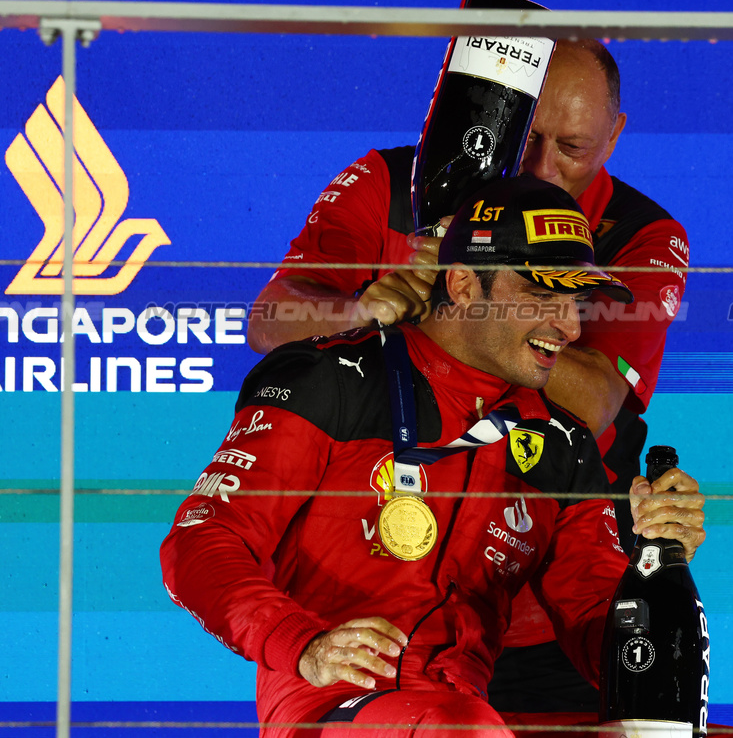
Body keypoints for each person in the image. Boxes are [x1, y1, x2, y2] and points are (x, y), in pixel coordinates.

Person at [247, 38, 703, 713]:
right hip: (388, 598)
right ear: (502, 111)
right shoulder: (389, 184)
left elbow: (599, 399)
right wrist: (363, 307)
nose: (545, 166)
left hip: (558, 599)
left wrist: (467, 305)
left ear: (615, 136)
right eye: (531, 136)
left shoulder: (644, 233)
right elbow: (270, 320)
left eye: (572, 147)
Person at [162, 177, 700, 738]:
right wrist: (302, 643)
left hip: (470, 713)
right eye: (543, 297)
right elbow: (202, 540)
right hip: (329, 714)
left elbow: (602, 637)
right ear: (464, 284)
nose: (568, 327)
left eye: (576, 302)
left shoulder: (564, 444)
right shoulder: (331, 379)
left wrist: (655, 566)